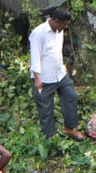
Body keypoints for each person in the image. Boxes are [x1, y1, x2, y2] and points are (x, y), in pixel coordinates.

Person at [30, 8, 85, 140]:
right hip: (44, 78)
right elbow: (35, 56)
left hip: (60, 74)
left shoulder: (59, 30)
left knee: (71, 96)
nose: (65, 27)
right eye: (63, 24)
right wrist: (37, 78)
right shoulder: (39, 33)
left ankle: (70, 128)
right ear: (55, 21)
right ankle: (50, 137)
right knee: (45, 108)